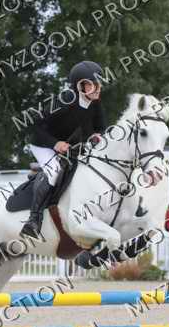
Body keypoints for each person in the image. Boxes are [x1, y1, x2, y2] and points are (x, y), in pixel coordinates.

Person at [22, 60, 106, 238]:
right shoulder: (64, 100)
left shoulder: (96, 103)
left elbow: (100, 128)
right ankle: (33, 220)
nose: (98, 88)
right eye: (93, 84)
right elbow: (35, 125)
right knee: (53, 171)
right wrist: (55, 143)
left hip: (70, 147)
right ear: (80, 86)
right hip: (43, 144)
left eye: (99, 84)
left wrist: (97, 136)